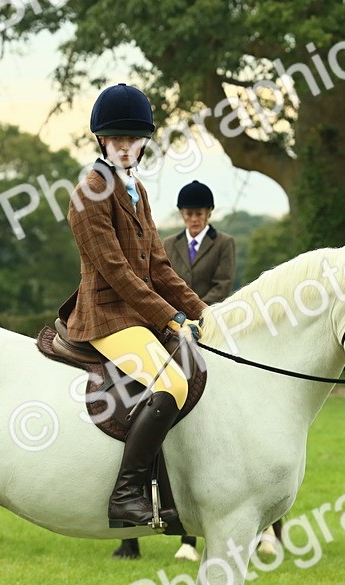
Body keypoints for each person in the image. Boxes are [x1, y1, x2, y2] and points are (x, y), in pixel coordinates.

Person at [58, 83, 207, 534]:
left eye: (133, 139)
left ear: (144, 142)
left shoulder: (134, 186)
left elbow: (158, 265)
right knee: (171, 383)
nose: (125, 146)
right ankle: (126, 494)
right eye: (116, 138)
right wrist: (170, 317)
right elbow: (117, 272)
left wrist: (204, 311)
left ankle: (173, 490)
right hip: (105, 315)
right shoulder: (89, 190)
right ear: (102, 140)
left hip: (135, 314)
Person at [116, 180, 239, 561]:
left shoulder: (225, 244)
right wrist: (173, 318)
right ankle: (129, 525)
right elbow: (156, 282)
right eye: (189, 213)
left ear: (208, 214)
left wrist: (195, 315)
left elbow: (223, 286)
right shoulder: (167, 243)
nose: (194, 218)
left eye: (199, 213)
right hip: (167, 324)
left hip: (205, 323)